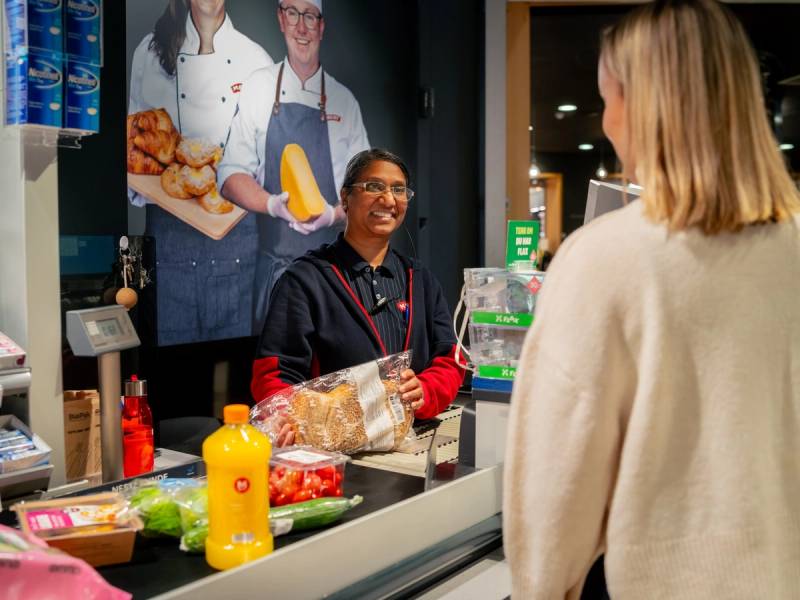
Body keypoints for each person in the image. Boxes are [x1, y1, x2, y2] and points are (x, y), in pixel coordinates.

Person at [503, 1, 800, 598]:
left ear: (641, 106)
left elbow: (558, 487)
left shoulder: (602, 259)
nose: (607, 120)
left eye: (609, 97)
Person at [251, 149, 464, 439]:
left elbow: (449, 359)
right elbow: (275, 372)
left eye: (398, 189)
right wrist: (282, 419)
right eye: (374, 186)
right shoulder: (305, 279)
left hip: (409, 446)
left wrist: (426, 389)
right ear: (345, 198)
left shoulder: (420, 279)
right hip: (332, 452)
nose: (388, 199)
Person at [218, 0, 370, 335]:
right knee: (277, 377)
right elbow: (230, 176)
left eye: (310, 16)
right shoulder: (258, 87)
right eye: (292, 13)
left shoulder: (345, 102)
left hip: (335, 276)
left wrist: (333, 214)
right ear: (281, 19)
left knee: (333, 376)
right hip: (275, 276)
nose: (301, 27)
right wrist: (273, 205)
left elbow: (366, 191)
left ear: (322, 26)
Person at [128, 0, 273, 345]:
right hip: (168, 232)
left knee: (231, 360)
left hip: (234, 233)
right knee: (171, 361)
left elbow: (266, 160)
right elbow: (134, 150)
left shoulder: (255, 60)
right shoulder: (149, 52)